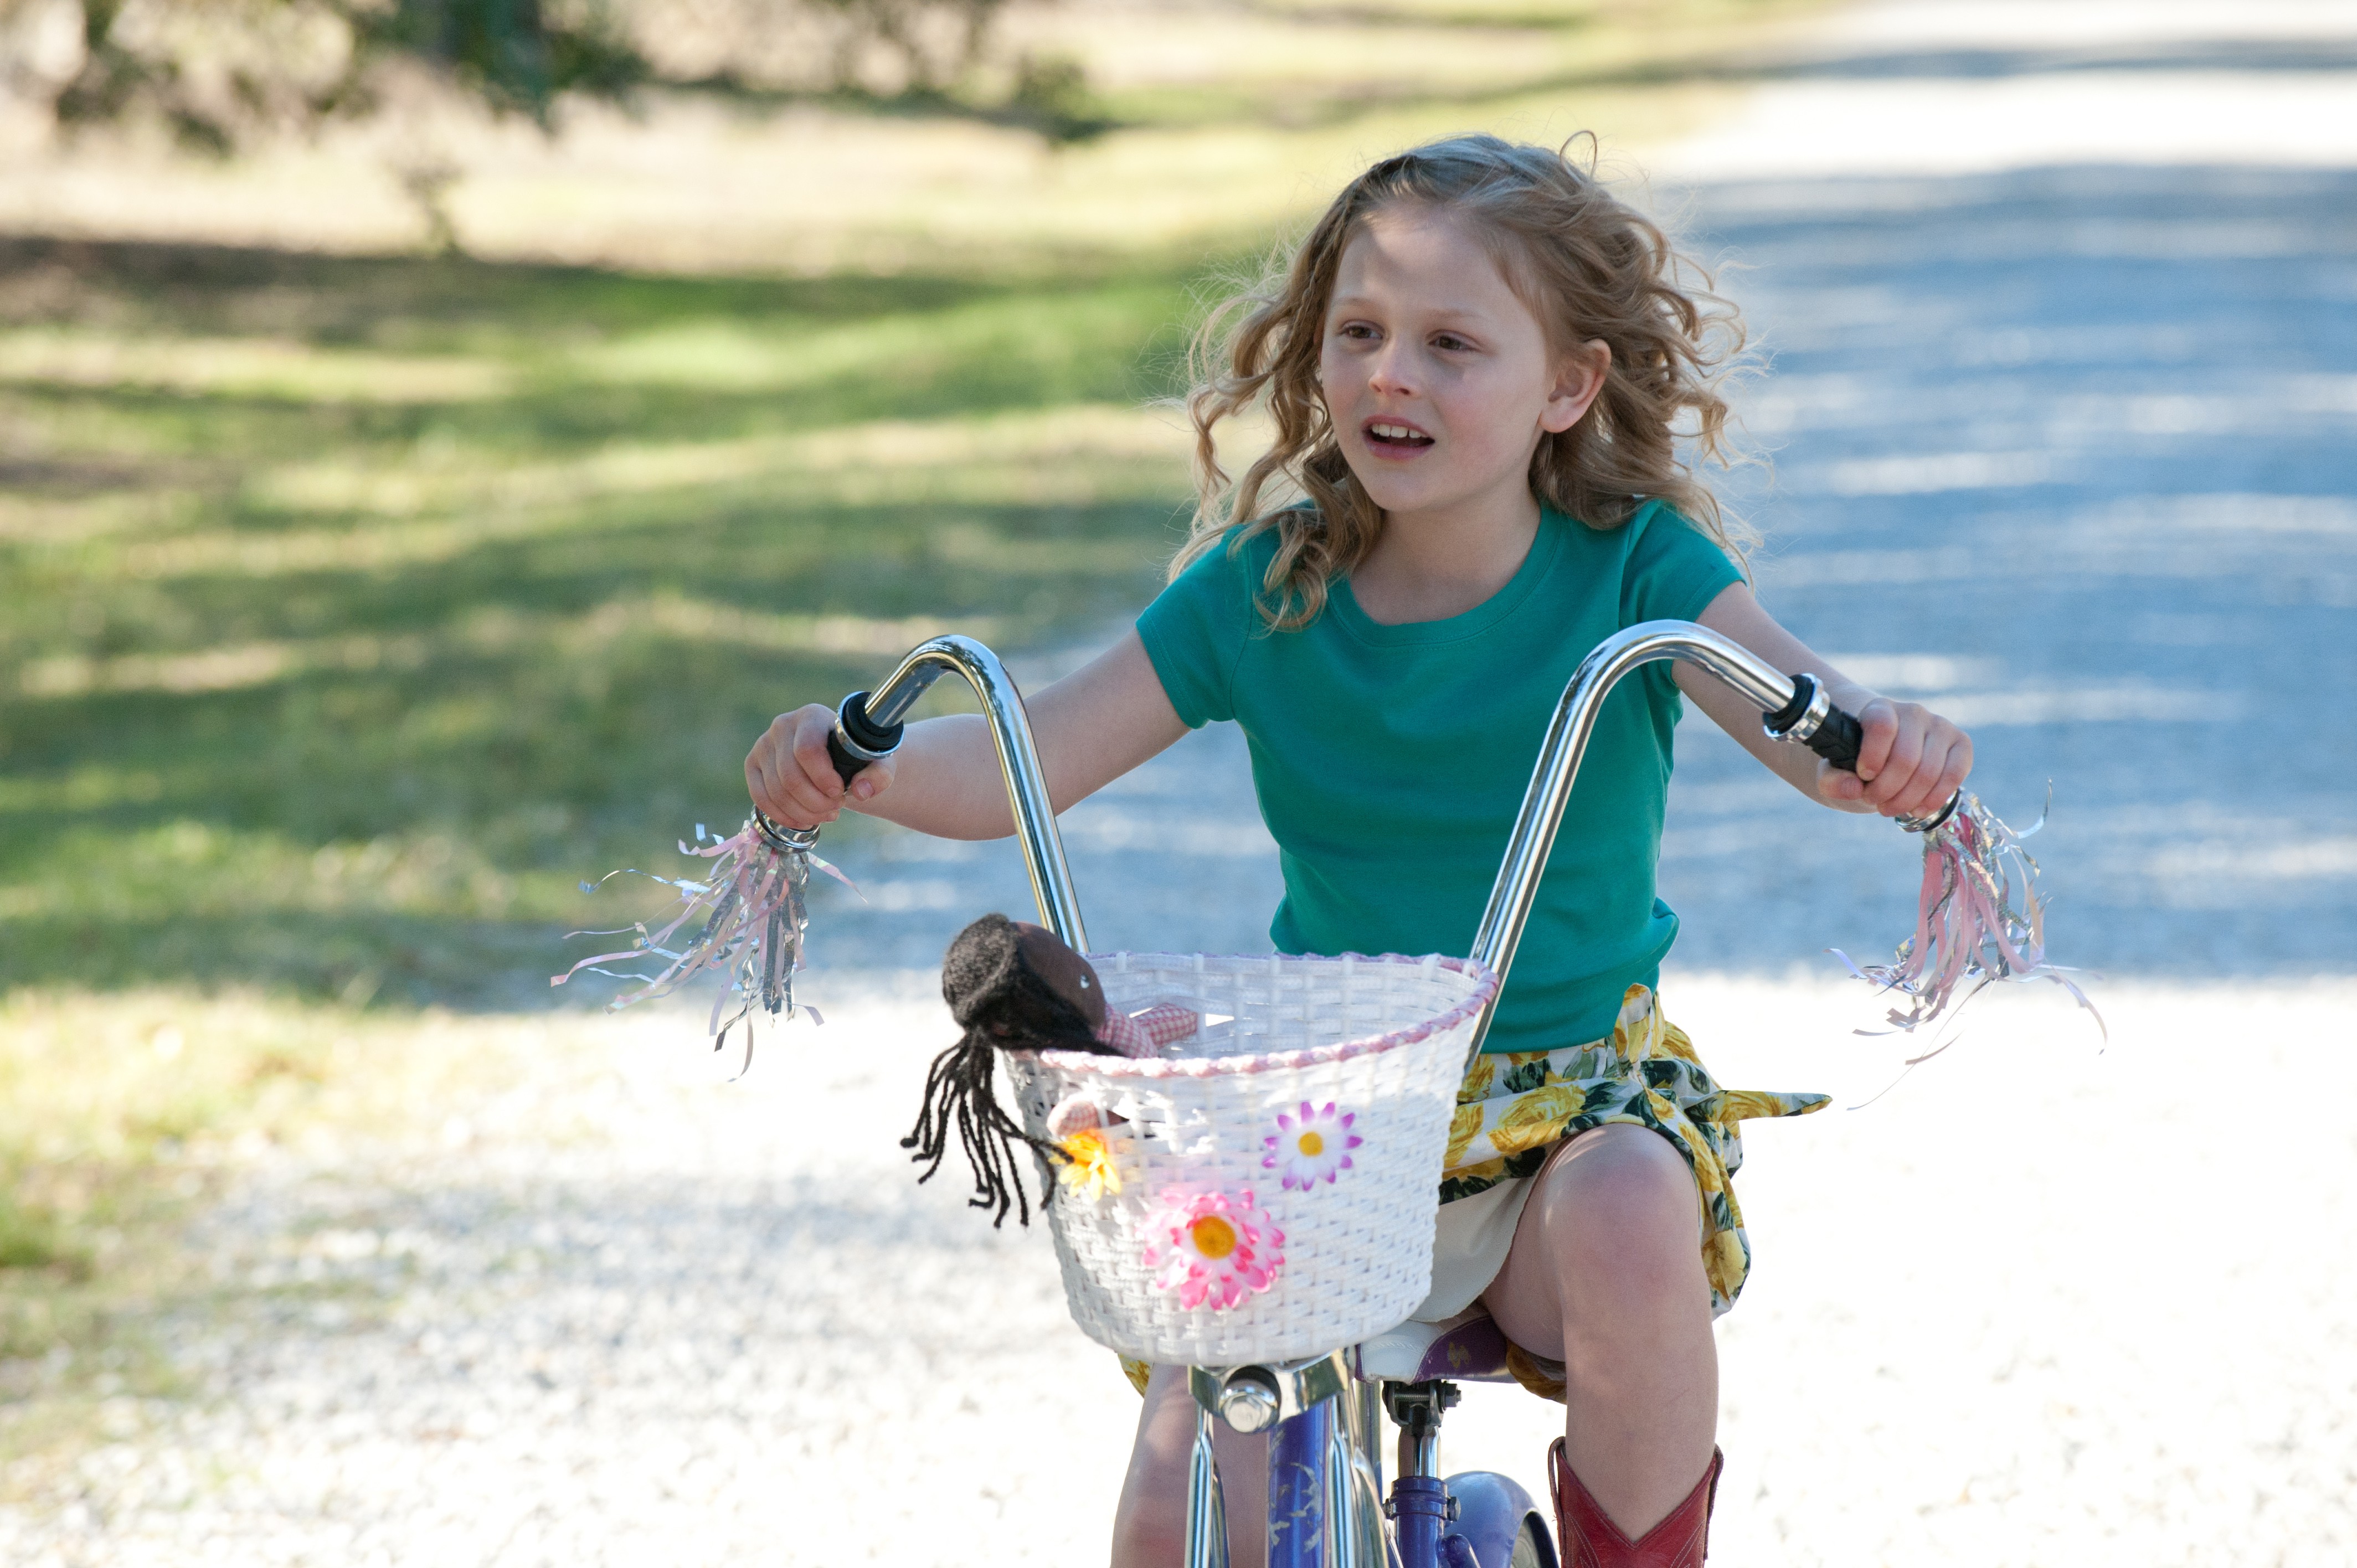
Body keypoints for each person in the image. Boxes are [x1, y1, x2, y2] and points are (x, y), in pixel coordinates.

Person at [744, 134, 1972, 1567]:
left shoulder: (1636, 569)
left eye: (1453, 344)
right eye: (1362, 333)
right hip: (1332, 1129)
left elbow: (1797, 717)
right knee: (1186, 1482)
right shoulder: (1268, 587)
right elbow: (1036, 755)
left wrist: (1887, 746)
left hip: (1559, 1128)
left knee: (1637, 1206)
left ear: (1568, 386)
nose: (1395, 374)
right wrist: (865, 771)